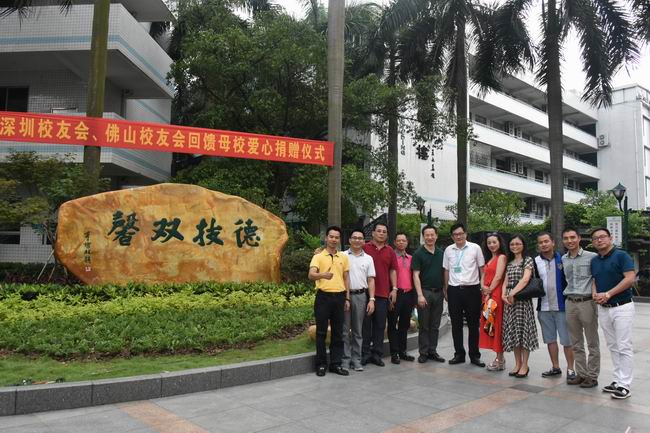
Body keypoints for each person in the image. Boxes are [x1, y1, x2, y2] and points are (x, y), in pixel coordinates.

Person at [590, 227, 636, 399]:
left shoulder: (622, 256)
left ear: (610, 238)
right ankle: (617, 380)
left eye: (602, 237)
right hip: (604, 308)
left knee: (624, 346)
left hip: (622, 307)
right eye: (595, 238)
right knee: (613, 345)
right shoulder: (595, 260)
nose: (599, 240)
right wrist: (595, 293)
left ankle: (625, 385)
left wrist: (608, 294)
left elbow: (630, 278)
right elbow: (594, 280)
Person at [308, 226, 351, 377]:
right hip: (323, 297)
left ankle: (335, 364)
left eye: (336, 237)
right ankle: (321, 365)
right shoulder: (318, 256)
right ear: (326, 238)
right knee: (321, 332)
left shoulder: (343, 257)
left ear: (339, 239)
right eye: (331, 237)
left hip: (339, 297)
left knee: (338, 333)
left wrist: (347, 298)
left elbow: (346, 278)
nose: (334, 239)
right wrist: (322, 275)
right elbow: (311, 275)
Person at [443, 223, 486, 366]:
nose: (458, 236)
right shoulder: (448, 250)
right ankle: (459, 354)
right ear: (452, 236)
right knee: (456, 325)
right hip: (454, 290)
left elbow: (482, 269)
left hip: (472, 290)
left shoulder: (475, 248)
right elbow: (446, 270)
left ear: (466, 234)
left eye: (461, 234)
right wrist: (446, 289)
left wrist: (482, 286)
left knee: (473, 325)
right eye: (455, 234)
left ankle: (474, 355)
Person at [535, 232, 576, 382]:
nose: (544, 244)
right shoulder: (535, 261)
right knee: (550, 339)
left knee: (567, 340)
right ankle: (555, 367)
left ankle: (571, 369)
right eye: (541, 242)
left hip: (562, 306)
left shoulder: (563, 259)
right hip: (544, 307)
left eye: (546, 241)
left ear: (553, 242)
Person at [561, 227, 600, 388]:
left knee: (592, 342)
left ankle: (592, 376)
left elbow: (597, 278)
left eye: (572, 237)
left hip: (587, 302)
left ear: (578, 238)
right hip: (570, 302)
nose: (569, 241)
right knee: (576, 342)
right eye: (566, 238)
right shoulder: (563, 259)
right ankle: (581, 374)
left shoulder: (592, 257)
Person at [501, 234, 539, 378]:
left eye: (518, 244)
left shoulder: (527, 260)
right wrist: (504, 294)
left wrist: (513, 293)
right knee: (514, 332)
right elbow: (505, 281)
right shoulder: (509, 262)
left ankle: (525, 365)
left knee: (524, 332)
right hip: (510, 302)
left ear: (523, 245)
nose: (515, 246)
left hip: (522, 300)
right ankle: (517, 363)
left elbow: (525, 279)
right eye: (512, 244)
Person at [362, 223, 398, 366]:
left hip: (383, 294)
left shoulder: (390, 251)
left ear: (387, 235)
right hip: (366, 294)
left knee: (380, 325)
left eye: (384, 232)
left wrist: (394, 289)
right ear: (373, 233)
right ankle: (365, 354)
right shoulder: (364, 248)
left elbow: (393, 270)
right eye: (379, 231)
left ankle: (377, 354)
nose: (381, 233)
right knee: (366, 326)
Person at [342, 230, 376, 372]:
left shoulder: (368, 258)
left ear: (363, 241)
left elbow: (371, 280)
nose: (357, 240)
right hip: (344, 296)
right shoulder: (342, 256)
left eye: (360, 238)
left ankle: (356, 360)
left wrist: (372, 299)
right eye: (354, 238)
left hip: (361, 296)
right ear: (350, 240)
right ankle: (345, 360)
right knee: (344, 330)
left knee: (358, 330)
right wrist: (345, 297)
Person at [412, 225, 446, 364]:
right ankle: (424, 352)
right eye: (427, 235)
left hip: (439, 292)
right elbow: (415, 275)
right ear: (423, 236)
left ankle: (433, 351)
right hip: (425, 292)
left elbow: (445, 273)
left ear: (436, 236)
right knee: (424, 325)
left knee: (435, 324)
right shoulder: (418, 254)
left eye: (432, 235)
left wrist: (445, 291)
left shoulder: (441, 253)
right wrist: (420, 295)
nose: (430, 237)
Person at [479, 232, 507, 371]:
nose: (491, 245)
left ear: (500, 243)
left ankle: (500, 359)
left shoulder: (502, 257)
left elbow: (498, 276)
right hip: (488, 295)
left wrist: (488, 291)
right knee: (491, 326)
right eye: (489, 242)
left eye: (494, 242)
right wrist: (483, 288)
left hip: (495, 295)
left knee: (496, 325)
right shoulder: (489, 258)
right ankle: (499, 358)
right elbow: (483, 275)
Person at [387, 232, 416, 364]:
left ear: (407, 242)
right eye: (398, 240)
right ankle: (394, 353)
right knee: (392, 324)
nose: (401, 242)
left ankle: (403, 351)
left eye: (403, 240)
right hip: (395, 294)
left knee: (404, 325)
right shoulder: (391, 257)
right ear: (394, 242)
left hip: (408, 294)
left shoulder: (411, 258)